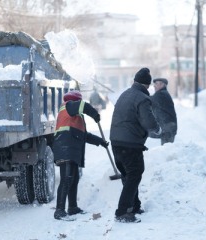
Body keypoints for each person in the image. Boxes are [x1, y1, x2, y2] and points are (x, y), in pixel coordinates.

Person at [110, 67, 161, 223]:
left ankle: (134, 206)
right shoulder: (142, 98)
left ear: (134, 81)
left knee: (129, 174)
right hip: (130, 144)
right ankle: (122, 212)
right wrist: (157, 129)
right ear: (147, 85)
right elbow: (148, 122)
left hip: (116, 141)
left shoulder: (124, 94)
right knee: (134, 174)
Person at [52, 90, 109, 220]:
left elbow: (84, 136)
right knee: (66, 179)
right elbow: (85, 106)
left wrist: (100, 142)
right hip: (65, 149)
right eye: (79, 100)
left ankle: (72, 207)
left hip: (71, 150)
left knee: (74, 179)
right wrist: (95, 114)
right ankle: (59, 211)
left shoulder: (75, 116)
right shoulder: (69, 105)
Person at [150, 78, 177, 145]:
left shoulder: (161, 94)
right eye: (154, 84)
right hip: (168, 127)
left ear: (162, 85)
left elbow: (148, 100)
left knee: (167, 151)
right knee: (166, 149)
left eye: (156, 84)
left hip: (168, 127)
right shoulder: (163, 94)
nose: (154, 86)